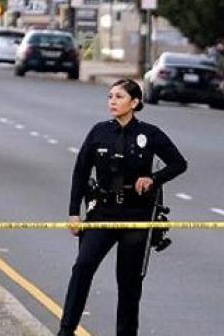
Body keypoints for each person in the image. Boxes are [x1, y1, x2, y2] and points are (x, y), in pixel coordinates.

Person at [59, 78, 188, 336]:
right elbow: (80, 173)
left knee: (128, 282)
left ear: (135, 102)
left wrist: (153, 178)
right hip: (102, 213)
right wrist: (74, 212)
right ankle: (66, 330)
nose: (112, 102)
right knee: (82, 267)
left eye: (119, 97)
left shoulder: (149, 134)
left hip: (136, 215)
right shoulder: (98, 132)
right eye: (110, 97)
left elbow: (178, 163)